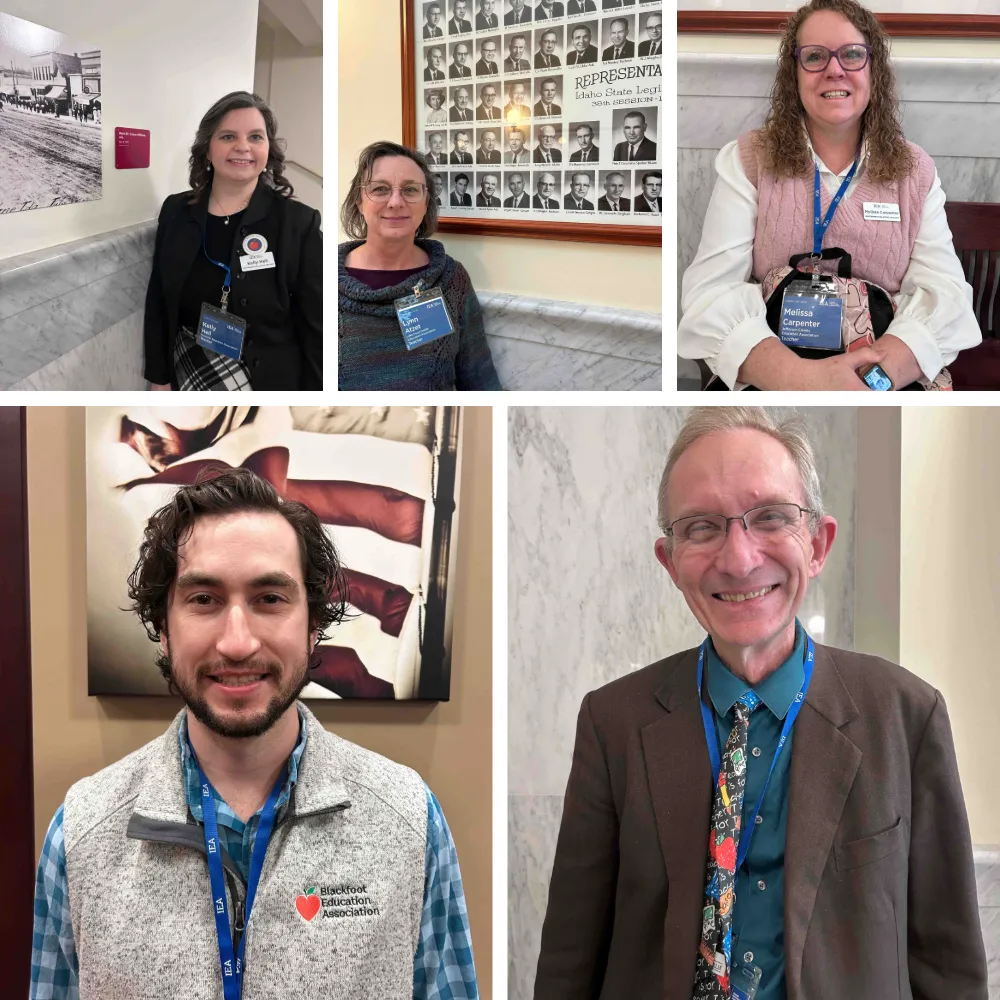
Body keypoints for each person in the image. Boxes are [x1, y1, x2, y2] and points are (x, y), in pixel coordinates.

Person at [533, 406, 988, 1000]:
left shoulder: (907, 716)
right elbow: (570, 961)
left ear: (818, 543)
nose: (739, 558)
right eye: (701, 527)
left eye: (770, 517)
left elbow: (949, 968)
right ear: (669, 563)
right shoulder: (612, 723)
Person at [30, 468, 480, 998]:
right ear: (163, 629)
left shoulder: (410, 818)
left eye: (270, 599)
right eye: (204, 599)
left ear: (313, 625)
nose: (238, 643)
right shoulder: (80, 832)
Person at [679, 0, 981, 392]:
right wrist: (802, 378)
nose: (834, 69)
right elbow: (709, 294)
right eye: (815, 56)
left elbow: (947, 295)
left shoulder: (915, 171)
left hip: (885, 372)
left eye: (852, 54)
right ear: (794, 74)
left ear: (874, 71)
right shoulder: (748, 161)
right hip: (775, 371)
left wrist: (874, 381)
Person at [143, 91, 321, 391]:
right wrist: (159, 377)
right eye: (227, 136)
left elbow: (316, 324)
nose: (243, 147)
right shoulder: (175, 211)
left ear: (268, 149)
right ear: (207, 149)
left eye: (255, 137)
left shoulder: (299, 222)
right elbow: (160, 298)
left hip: (270, 382)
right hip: (189, 365)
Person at [339, 141, 501, 389]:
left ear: (426, 203)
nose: (395, 202)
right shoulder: (318, 275)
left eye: (410, 190)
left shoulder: (451, 280)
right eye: (380, 189)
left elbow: (480, 380)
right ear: (360, 202)